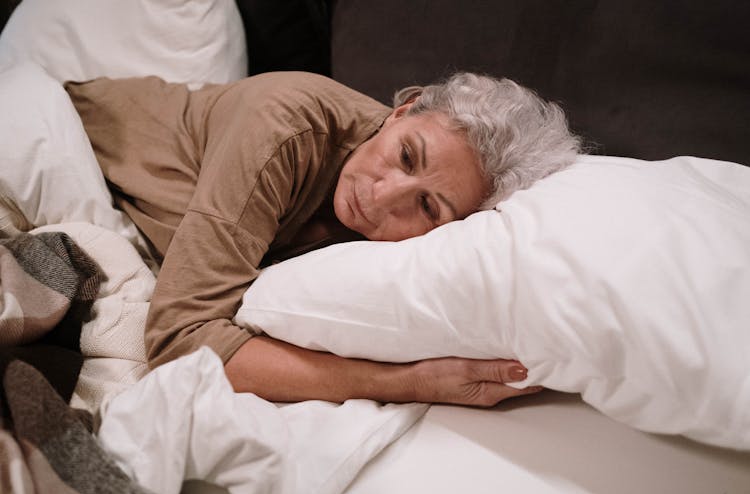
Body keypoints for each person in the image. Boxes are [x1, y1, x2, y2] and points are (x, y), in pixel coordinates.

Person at [65, 71, 580, 406]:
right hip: (55, 131)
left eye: (426, 205)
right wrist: (407, 383)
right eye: (405, 156)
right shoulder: (285, 126)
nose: (383, 197)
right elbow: (179, 343)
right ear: (403, 112)